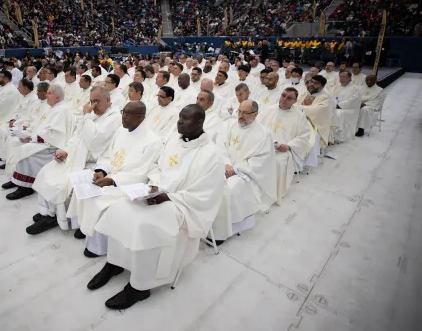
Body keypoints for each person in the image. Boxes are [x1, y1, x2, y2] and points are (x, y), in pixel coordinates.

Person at [90, 105, 225, 310]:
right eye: (179, 117)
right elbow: (157, 168)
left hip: (182, 205)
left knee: (145, 224)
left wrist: (168, 196)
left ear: (200, 123)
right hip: (156, 193)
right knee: (120, 209)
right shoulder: (173, 141)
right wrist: (153, 185)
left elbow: (206, 194)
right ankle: (115, 262)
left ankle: (140, 287)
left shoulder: (211, 154)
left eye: (186, 119)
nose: (179, 121)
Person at [67, 101, 162, 257]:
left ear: (140, 117)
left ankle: (98, 246)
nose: (123, 116)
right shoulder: (121, 131)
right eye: (123, 111)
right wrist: (102, 170)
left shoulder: (152, 141)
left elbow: (140, 173)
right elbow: (108, 156)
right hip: (111, 176)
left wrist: (112, 181)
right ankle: (86, 227)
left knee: (98, 200)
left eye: (128, 114)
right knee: (82, 185)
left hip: (127, 185)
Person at [30, 86, 122, 234]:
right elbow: (77, 135)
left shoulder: (114, 117)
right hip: (75, 156)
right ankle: (48, 212)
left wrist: (86, 116)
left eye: (97, 101)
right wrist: (65, 150)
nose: (93, 105)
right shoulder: (93, 114)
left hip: (92, 162)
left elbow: (95, 140)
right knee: (47, 170)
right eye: (91, 101)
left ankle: (58, 217)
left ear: (108, 99)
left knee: (62, 184)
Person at [212, 99, 276, 243]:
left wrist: (235, 169)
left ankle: (223, 231)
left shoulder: (263, 134)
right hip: (224, 166)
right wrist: (227, 164)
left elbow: (260, 161)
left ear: (256, 114)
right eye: (239, 111)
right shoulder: (230, 125)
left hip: (246, 174)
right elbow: (219, 145)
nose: (240, 116)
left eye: (245, 113)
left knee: (228, 190)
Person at [2, 85, 75, 200]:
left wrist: (32, 139)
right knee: (19, 145)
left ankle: (25, 187)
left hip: (51, 147)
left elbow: (54, 134)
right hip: (44, 142)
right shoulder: (52, 108)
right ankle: (16, 179)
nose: (46, 95)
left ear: (57, 97)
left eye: (49, 93)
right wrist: (26, 132)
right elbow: (39, 125)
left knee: (26, 151)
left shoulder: (62, 110)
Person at [257, 88, 311, 201]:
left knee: (277, 162)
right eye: (283, 95)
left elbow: (304, 136)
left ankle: (272, 191)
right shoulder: (268, 109)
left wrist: (289, 145)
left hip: (283, 150)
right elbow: (256, 127)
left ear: (295, 101)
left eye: (289, 98)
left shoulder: (299, 116)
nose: (284, 99)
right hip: (263, 145)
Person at [0, 79, 43, 164]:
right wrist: (13, 119)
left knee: (8, 134)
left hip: (24, 122)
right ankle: (3, 155)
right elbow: (16, 110)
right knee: (0, 128)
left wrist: (16, 123)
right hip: (18, 120)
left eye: (19, 87)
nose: (18, 89)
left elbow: (28, 115)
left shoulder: (33, 99)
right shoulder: (22, 96)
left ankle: (9, 160)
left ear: (26, 88)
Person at [298, 75, 332, 147]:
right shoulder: (305, 94)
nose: (311, 85)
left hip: (313, 125)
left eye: (316, 83)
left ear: (322, 86)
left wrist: (299, 107)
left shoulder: (325, 97)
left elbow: (316, 111)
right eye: (311, 82)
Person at [333, 71, 361, 143]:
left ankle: (339, 137)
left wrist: (339, 105)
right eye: (340, 77)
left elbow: (353, 101)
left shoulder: (355, 88)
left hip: (348, 109)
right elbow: (331, 96)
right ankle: (330, 134)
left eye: (344, 77)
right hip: (335, 106)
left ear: (349, 78)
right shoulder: (337, 86)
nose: (341, 79)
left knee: (338, 114)